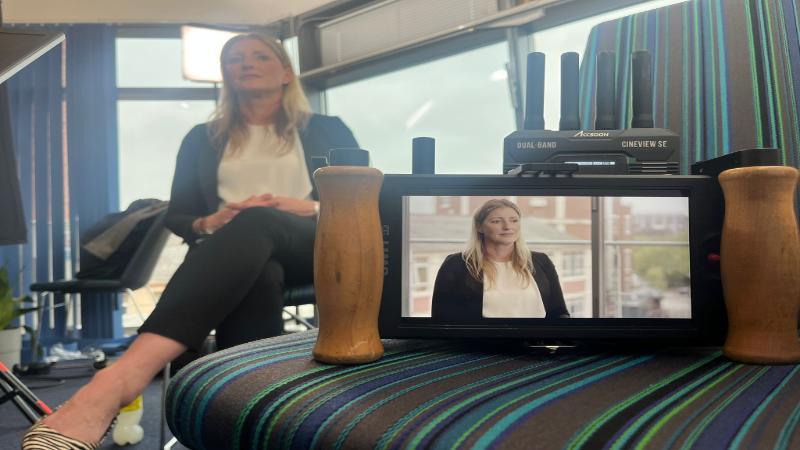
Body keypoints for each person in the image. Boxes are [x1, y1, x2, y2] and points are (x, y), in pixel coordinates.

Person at [22, 34, 358, 448]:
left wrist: (304, 207)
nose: (246, 63)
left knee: (258, 221)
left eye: (259, 56)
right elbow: (179, 214)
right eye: (235, 58)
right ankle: (250, 421)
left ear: (286, 72)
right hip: (233, 254)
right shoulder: (202, 137)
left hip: (311, 245)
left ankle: (116, 383)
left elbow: (360, 197)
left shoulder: (325, 129)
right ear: (225, 74)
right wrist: (211, 220)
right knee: (258, 273)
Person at [430, 198, 569, 322]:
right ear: (479, 227)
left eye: (513, 220)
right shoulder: (456, 265)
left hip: (535, 345)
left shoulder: (541, 261)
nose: (508, 227)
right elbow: (441, 319)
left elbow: (559, 313)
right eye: (496, 221)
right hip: (478, 346)